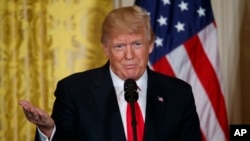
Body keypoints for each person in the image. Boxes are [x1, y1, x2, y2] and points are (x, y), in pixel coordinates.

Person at [19, 5, 202, 141]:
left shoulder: (179, 94)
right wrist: (49, 131)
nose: (129, 55)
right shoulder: (74, 91)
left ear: (151, 45)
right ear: (106, 48)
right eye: (119, 46)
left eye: (137, 44)